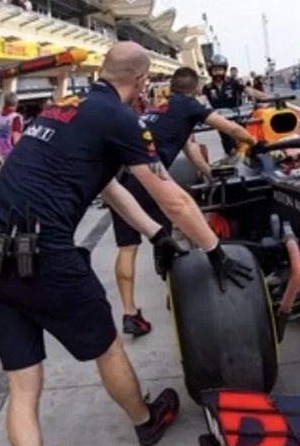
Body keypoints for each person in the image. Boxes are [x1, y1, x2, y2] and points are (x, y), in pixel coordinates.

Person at [0, 41, 255, 446]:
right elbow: (168, 191)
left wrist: (156, 235)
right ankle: (146, 420)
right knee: (107, 348)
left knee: (23, 387)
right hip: (47, 257)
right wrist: (213, 250)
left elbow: (108, 186)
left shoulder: (66, 108)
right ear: (142, 82)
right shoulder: (119, 117)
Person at [110, 66, 257, 336]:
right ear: (196, 89)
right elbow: (230, 127)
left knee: (127, 248)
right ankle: (175, 294)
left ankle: (130, 314)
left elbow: (189, 148)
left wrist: (210, 174)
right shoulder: (189, 105)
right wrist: (253, 142)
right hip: (150, 179)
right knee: (168, 241)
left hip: (121, 181)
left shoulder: (158, 108)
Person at [202, 54, 266, 156]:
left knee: (245, 144)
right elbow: (202, 101)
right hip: (221, 121)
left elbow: (249, 91)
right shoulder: (207, 88)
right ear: (210, 71)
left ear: (225, 70)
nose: (218, 73)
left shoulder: (233, 82)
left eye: (220, 70)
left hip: (238, 118)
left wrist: (265, 97)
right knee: (230, 151)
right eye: (215, 70)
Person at [0, 92, 23, 162]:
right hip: (14, 154)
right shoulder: (16, 118)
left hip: (1, 154)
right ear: (16, 103)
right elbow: (16, 140)